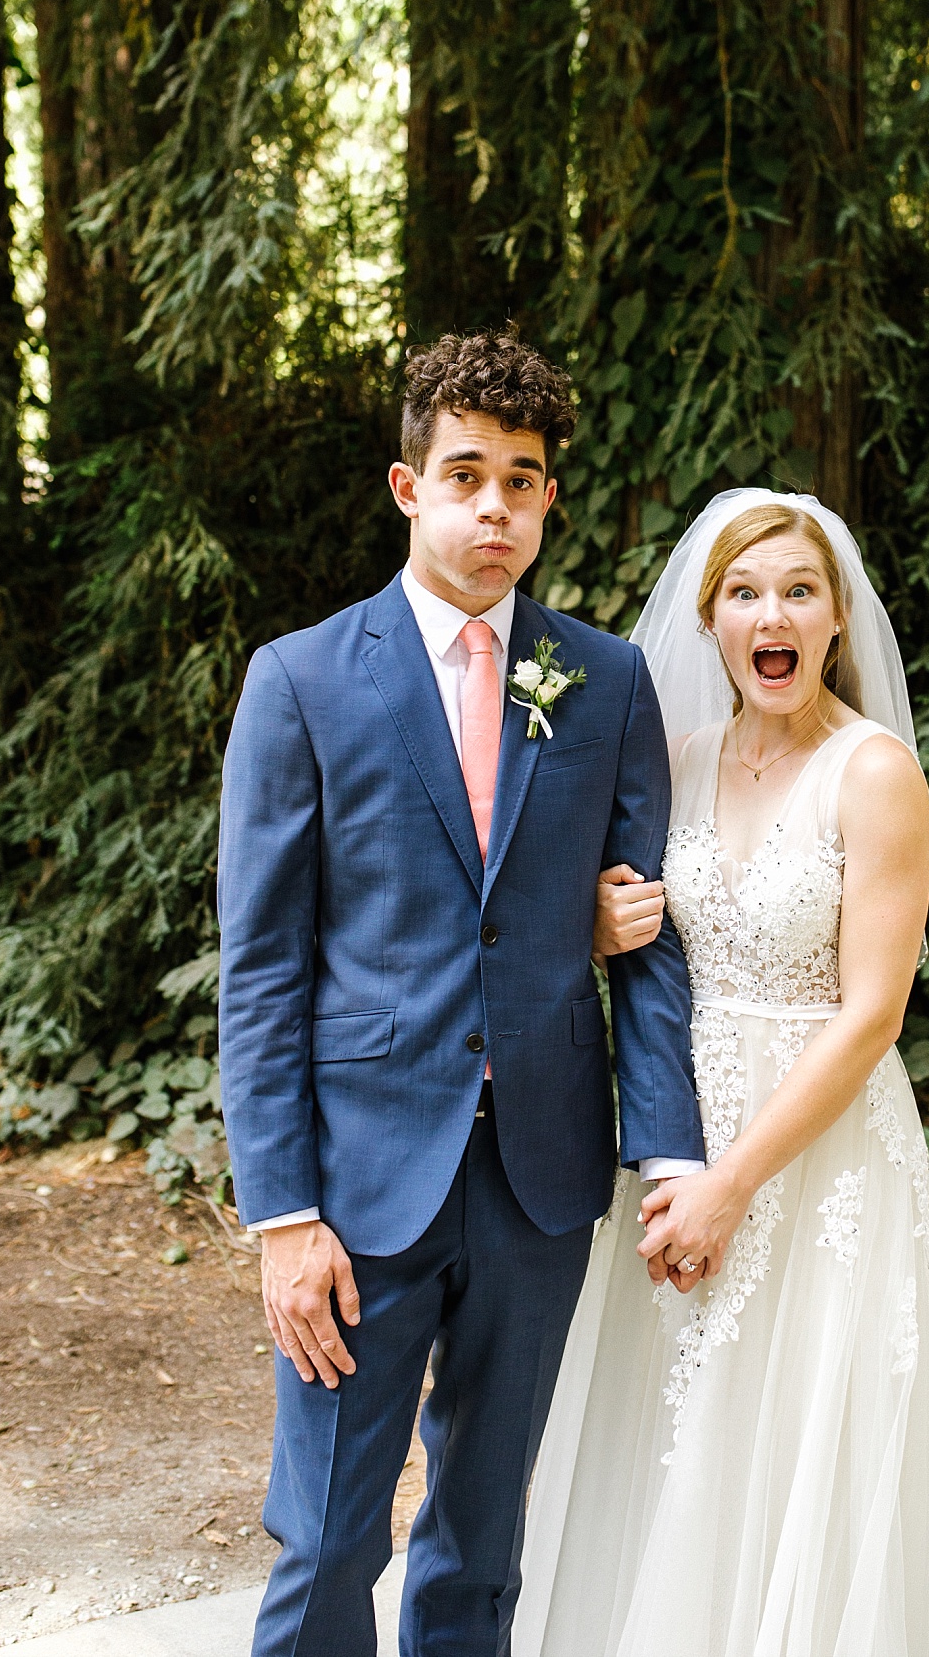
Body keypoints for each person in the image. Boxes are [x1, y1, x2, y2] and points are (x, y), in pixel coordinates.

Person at [217, 330, 703, 1656]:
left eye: (525, 479)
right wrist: (283, 1213)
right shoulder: (303, 681)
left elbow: (642, 932)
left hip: (540, 1177)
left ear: (550, 499)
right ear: (407, 485)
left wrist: (666, 1151)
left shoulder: (602, 679)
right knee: (326, 1534)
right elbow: (262, 969)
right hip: (358, 1185)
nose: (497, 505)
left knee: (482, 1541)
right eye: (468, 472)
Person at [514, 490, 929, 1657]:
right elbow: (646, 944)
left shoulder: (874, 773)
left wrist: (734, 1181)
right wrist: (608, 920)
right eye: (746, 593)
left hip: (818, 1160)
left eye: (800, 592)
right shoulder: (682, 759)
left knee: (795, 1446)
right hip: (682, 1133)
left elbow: (872, 1016)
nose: (775, 614)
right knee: (676, 1438)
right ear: (709, 623)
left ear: (835, 618)